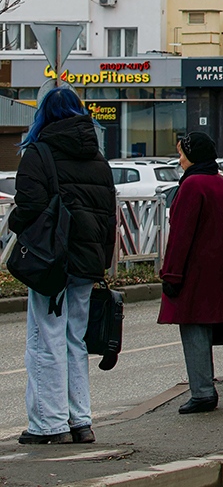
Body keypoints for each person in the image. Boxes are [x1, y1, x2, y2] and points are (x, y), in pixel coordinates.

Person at [12, 87, 114, 444]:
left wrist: (14, 225)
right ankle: (80, 421)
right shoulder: (98, 158)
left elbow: (28, 206)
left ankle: (48, 424)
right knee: (75, 339)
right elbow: (108, 217)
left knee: (45, 338)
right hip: (86, 262)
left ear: (44, 114)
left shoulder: (38, 153)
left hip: (51, 261)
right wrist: (101, 260)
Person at [158, 132, 223, 414]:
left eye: (182, 154)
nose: (180, 160)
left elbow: (180, 235)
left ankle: (202, 390)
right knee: (203, 328)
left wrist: (171, 275)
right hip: (216, 268)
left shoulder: (193, 185)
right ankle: (205, 388)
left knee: (193, 330)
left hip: (193, 270)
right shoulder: (221, 183)